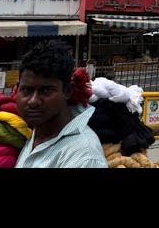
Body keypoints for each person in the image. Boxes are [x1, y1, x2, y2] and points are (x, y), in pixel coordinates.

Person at [15, 39, 107, 168]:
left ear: (67, 91)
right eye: (27, 90)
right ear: (17, 89)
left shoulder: (84, 158)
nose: (33, 101)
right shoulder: (38, 132)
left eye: (46, 90)